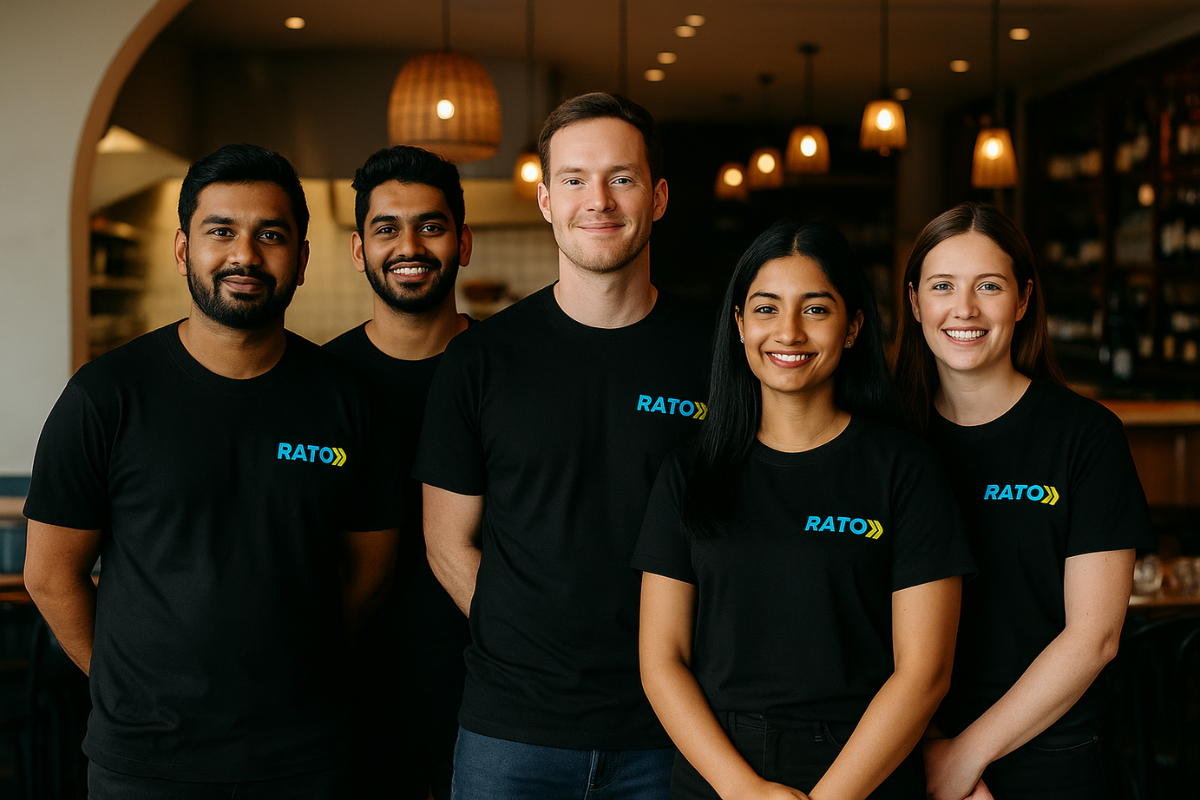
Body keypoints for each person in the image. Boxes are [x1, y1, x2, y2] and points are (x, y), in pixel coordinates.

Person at [22, 143, 401, 797]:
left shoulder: (348, 403)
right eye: (220, 231)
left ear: (302, 259)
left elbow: (369, 571)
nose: (244, 256)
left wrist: (297, 662)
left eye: (271, 235)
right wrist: (128, 688)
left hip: (306, 759)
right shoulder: (105, 397)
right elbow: (51, 575)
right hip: (146, 765)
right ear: (181, 250)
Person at [414, 92, 711, 799]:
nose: (598, 201)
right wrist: (530, 641)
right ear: (546, 199)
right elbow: (447, 542)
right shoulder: (481, 360)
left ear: (659, 196)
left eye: (622, 178)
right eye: (575, 179)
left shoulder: (719, 356)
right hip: (511, 733)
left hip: (673, 729)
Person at [635, 220, 974, 800]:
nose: (788, 332)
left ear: (853, 327)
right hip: (719, 770)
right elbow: (661, 660)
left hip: (865, 766)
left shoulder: (906, 471)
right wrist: (743, 790)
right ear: (739, 324)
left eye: (816, 310)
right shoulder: (689, 471)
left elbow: (923, 674)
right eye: (766, 309)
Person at [893, 202, 1154, 800]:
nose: (964, 309)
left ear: (1022, 298)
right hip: (905, 750)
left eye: (989, 285)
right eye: (942, 287)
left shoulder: (1086, 436)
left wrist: (963, 758)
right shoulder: (886, 439)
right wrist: (930, 745)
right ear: (914, 304)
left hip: (1054, 755)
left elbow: (1094, 637)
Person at [324, 144, 474, 800]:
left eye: (431, 226)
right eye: (387, 228)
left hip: (491, 698)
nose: (408, 245)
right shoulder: (316, 385)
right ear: (359, 249)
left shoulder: (514, 371)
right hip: (349, 696)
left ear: (463, 243)